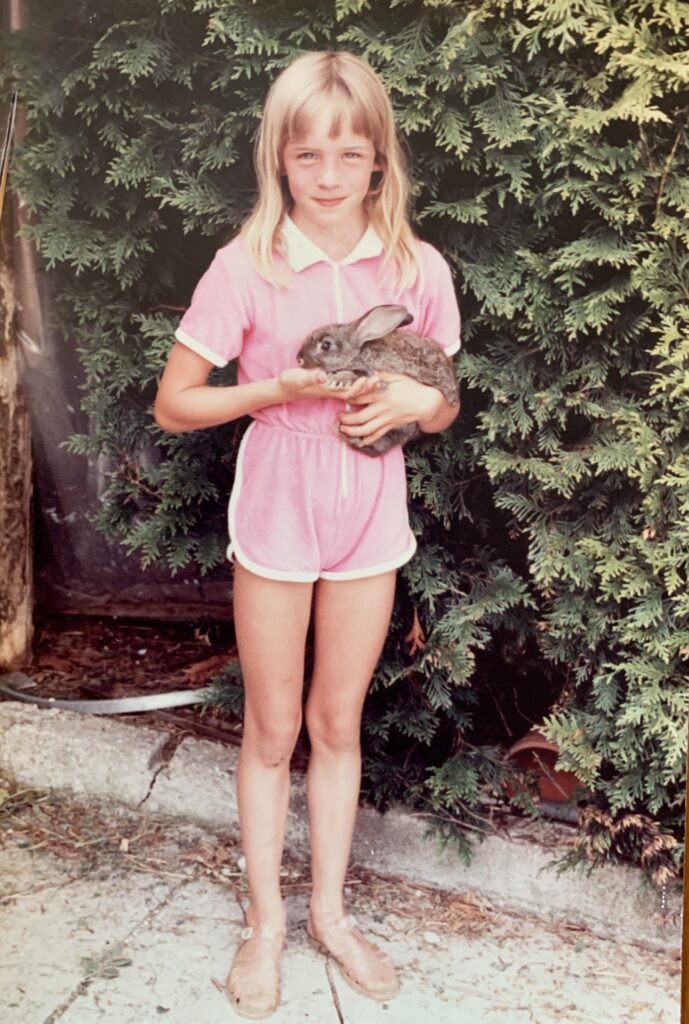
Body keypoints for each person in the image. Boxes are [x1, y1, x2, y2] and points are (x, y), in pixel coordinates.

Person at [154, 50, 461, 1020]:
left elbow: (442, 400)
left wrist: (416, 403)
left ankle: (329, 913)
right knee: (273, 726)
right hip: (279, 502)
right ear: (277, 159)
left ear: (379, 161)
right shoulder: (246, 265)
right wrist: (274, 389)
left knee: (337, 723)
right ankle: (265, 923)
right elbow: (174, 403)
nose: (328, 177)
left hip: (369, 507)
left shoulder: (415, 267)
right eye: (307, 155)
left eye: (349, 155)